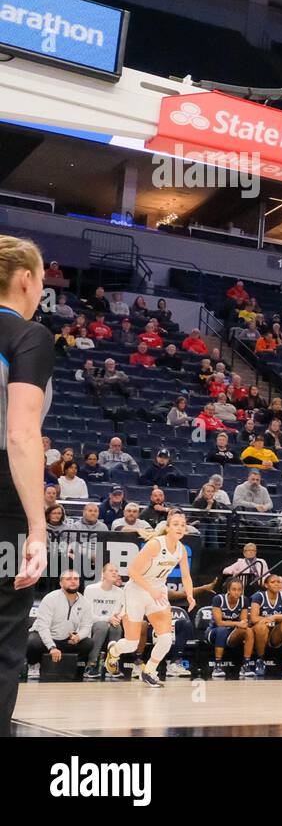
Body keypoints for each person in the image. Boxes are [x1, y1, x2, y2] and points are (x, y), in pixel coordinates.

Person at [0, 237, 55, 731]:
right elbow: (19, 433)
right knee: (2, 636)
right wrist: (38, 528)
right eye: (41, 280)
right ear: (25, 280)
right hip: (3, 497)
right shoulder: (29, 335)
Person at [104, 511, 196, 687]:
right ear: (167, 528)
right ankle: (114, 650)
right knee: (131, 643)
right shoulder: (155, 545)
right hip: (137, 590)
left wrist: (190, 594)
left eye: (183, 525)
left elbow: (186, 576)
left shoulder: (181, 549)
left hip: (158, 591)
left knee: (166, 639)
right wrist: (150, 590)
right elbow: (132, 571)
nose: (179, 527)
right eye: (175, 524)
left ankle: (149, 671)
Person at [26, 570, 93, 680]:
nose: (73, 581)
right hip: (43, 638)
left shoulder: (85, 603)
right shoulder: (50, 598)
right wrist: (52, 647)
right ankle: (33, 665)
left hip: (64, 640)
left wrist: (78, 636)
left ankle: (76, 666)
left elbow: (86, 627)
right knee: (33, 642)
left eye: (76, 579)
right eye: (68, 579)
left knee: (88, 643)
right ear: (61, 583)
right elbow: (43, 626)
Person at [82, 565, 125, 679]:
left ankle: (112, 664)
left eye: (116, 571)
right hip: (93, 624)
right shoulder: (90, 589)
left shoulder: (120, 592)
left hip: (111, 624)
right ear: (103, 574)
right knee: (102, 626)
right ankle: (92, 664)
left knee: (117, 627)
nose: (115, 573)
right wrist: (107, 619)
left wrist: (118, 617)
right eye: (111, 570)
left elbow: (121, 611)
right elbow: (88, 615)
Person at [208, 579, 255, 676]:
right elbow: (219, 623)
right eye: (234, 589)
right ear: (228, 590)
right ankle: (217, 666)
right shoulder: (218, 599)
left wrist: (241, 624)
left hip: (232, 633)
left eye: (239, 589)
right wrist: (237, 624)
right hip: (214, 632)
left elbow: (243, 622)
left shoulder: (244, 600)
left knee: (248, 631)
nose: (237, 592)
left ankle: (245, 666)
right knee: (222, 630)